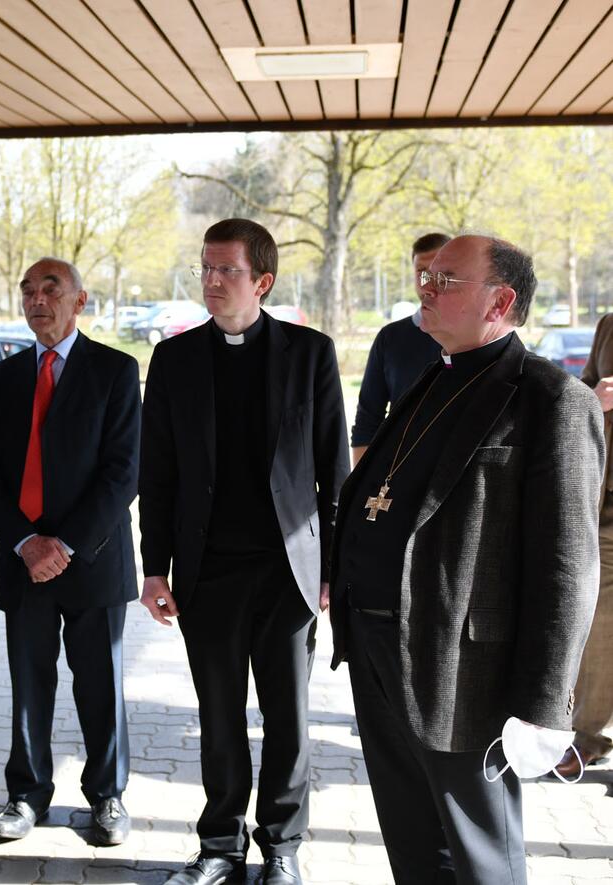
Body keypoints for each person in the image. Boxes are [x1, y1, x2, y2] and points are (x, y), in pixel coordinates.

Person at [329, 235, 602, 884]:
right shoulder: (433, 376)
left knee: (480, 858)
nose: (426, 286)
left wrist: (543, 704)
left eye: (446, 279)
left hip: (465, 669)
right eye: (426, 273)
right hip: (376, 648)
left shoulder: (551, 401)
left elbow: (567, 568)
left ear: (500, 301)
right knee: (414, 844)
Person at [139, 218, 348, 885]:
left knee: (288, 716)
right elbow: (159, 474)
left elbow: (334, 471)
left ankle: (282, 845)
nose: (212, 281)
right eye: (204, 267)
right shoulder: (173, 360)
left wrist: (334, 571)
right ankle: (220, 845)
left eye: (227, 270)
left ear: (263, 280)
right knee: (219, 714)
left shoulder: (310, 354)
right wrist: (152, 567)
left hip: (288, 570)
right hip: (206, 570)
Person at [0, 257, 140, 846]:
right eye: (28, 289)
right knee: (28, 682)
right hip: (23, 562)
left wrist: (63, 544)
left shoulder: (116, 371)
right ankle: (26, 795)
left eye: (51, 289)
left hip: (91, 559)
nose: (37, 298)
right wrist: (25, 542)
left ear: (80, 301)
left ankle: (108, 796)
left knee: (100, 682)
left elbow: (123, 473)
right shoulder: (4, 378)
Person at [557, 311, 613, 776]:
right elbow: (585, 388)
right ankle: (588, 737)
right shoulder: (609, 324)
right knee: (598, 628)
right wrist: (596, 397)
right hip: (604, 507)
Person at [350, 233, 449, 465]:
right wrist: (361, 487)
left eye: (438, 272)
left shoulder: (476, 339)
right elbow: (367, 420)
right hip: (399, 471)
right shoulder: (391, 338)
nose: (428, 282)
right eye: (421, 272)